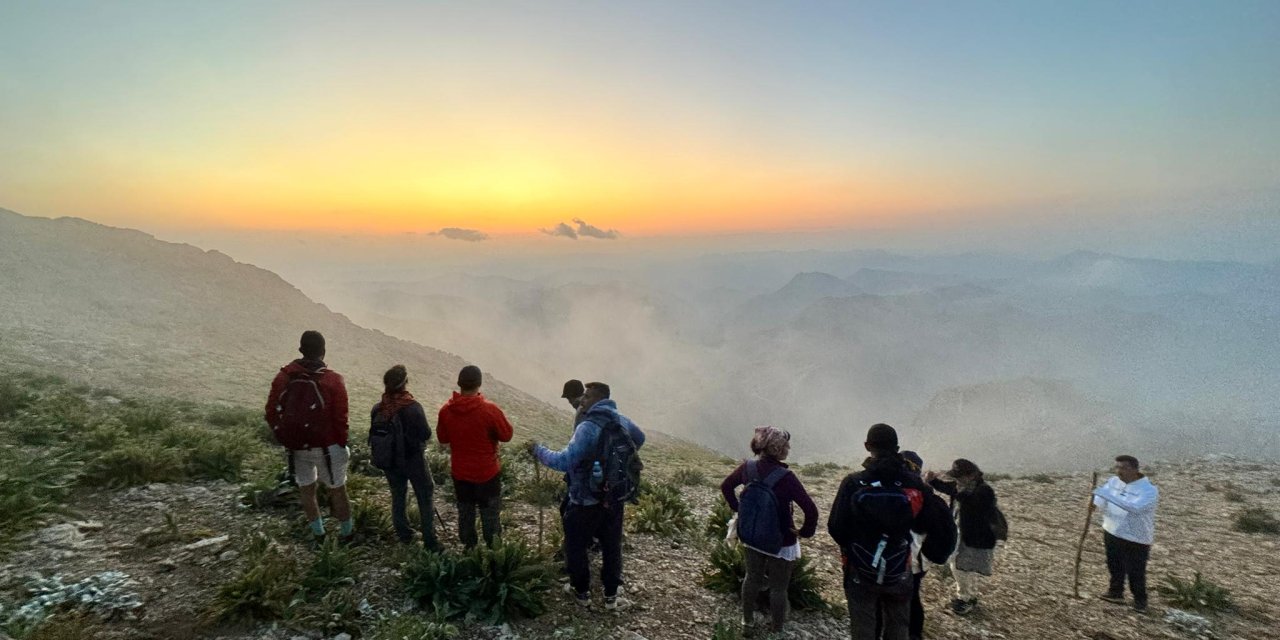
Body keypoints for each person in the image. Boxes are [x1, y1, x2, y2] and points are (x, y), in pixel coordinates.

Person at [828, 424, 952, 640]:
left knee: (863, 625)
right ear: (897, 448)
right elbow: (930, 524)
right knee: (898, 625)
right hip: (900, 567)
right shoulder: (915, 484)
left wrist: (855, 546)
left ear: (867, 446)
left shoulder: (854, 483)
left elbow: (836, 528)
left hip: (860, 567)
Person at [530, 382, 645, 610]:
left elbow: (564, 461)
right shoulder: (621, 420)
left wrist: (539, 450)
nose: (582, 400)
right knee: (612, 545)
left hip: (586, 497)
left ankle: (580, 592)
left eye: (587, 396)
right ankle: (611, 595)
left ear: (598, 398)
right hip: (614, 495)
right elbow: (639, 438)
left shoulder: (588, 426)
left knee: (576, 544)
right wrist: (617, 463)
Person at [719, 426, 819, 636]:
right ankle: (777, 629)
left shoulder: (748, 467)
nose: (789, 448)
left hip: (752, 535)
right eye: (786, 445)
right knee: (778, 587)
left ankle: (747, 622)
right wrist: (804, 531)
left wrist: (739, 510)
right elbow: (810, 509)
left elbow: (726, 486)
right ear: (779, 449)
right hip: (781, 539)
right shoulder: (786, 476)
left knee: (752, 577)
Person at [265, 330, 352, 544]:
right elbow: (341, 417)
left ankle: (318, 534)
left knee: (306, 489)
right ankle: (347, 534)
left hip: (297, 446)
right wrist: (341, 442)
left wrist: (284, 436)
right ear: (323, 351)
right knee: (337, 490)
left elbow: (270, 411)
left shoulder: (284, 376)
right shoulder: (333, 380)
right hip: (327, 446)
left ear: (301, 350)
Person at [876, 451, 956, 640]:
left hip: (885, 559)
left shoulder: (882, 490)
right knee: (911, 599)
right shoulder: (929, 498)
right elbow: (946, 533)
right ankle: (913, 634)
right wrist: (933, 555)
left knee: (881, 600)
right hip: (915, 562)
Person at [436, 365, 514, 549]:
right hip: (487, 473)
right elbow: (507, 435)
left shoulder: (446, 411)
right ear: (479, 384)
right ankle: (494, 552)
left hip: (461, 473)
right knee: (490, 515)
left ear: (459, 384)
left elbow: (442, 438)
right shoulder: (489, 410)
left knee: (465, 513)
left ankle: (469, 549)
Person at [370, 364, 438, 550]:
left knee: (398, 495)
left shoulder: (378, 409)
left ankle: (404, 535)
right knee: (425, 496)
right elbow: (425, 434)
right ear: (405, 383)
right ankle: (430, 542)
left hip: (390, 461)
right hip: (413, 459)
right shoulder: (413, 408)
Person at [926, 458, 1000, 615]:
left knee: (960, 566)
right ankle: (970, 595)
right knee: (965, 567)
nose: (957, 480)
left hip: (973, 537)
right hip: (962, 532)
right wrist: (933, 481)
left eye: (960, 477)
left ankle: (965, 598)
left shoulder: (984, 491)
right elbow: (946, 488)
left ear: (972, 475)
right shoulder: (962, 486)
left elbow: (972, 502)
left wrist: (957, 490)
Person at [1092, 454, 1159, 613]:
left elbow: (1134, 508)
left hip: (1135, 537)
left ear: (1135, 469)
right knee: (1114, 564)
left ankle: (1140, 601)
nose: (1119, 471)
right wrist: (1095, 503)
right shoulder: (1114, 482)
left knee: (1135, 570)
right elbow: (1102, 496)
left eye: (1124, 468)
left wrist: (1104, 494)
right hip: (1112, 529)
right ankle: (1116, 592)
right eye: (1118, 467)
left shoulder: (1148, 490)